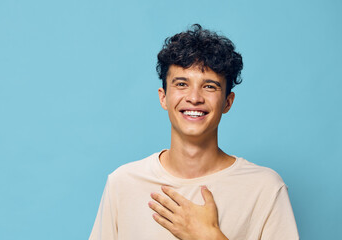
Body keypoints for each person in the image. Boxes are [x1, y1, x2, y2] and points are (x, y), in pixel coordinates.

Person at [89, 24, 299, 240]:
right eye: (181, 84)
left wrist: (210, 237)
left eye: (209, 86)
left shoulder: (265, 189)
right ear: (163, 97)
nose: (194, 98)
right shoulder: (123, 183)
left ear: (228, 102)